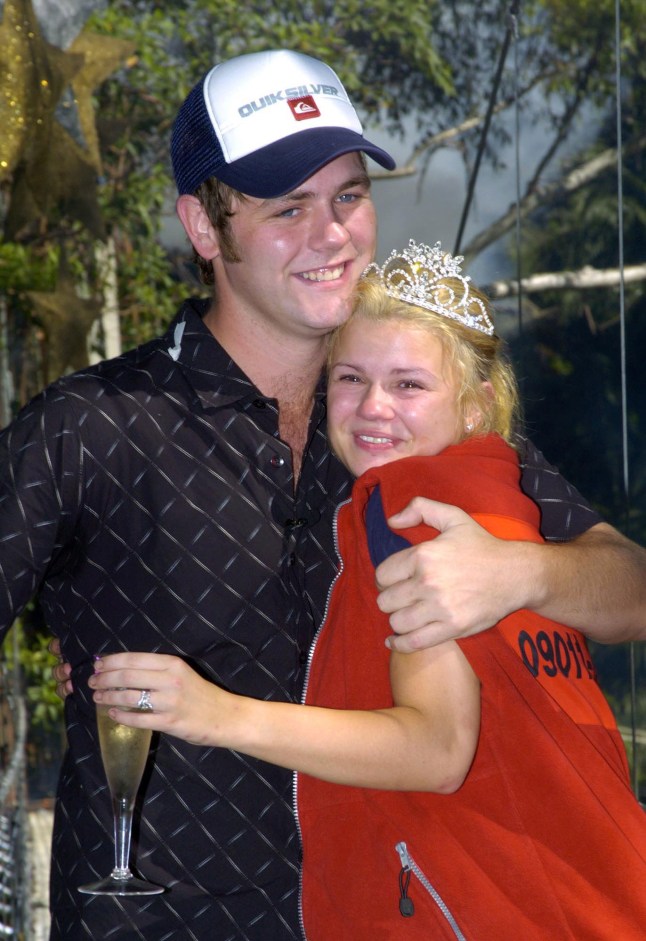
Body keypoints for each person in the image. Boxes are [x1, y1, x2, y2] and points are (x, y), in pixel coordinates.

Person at [0, 47, 643, 940]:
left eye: (348, 196)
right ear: (202, 225)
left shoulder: (407, 422)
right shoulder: (91, 425)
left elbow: (631, 587)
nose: (332, 233)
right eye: (287, 207)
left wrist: (522, 573)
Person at [88, 241, 646, 940]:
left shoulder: (408, 502)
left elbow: (438, 748)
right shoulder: (500, 500)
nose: (373, 406)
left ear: (476, 406)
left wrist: (214, 712)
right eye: (351, 378)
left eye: (409, 384)